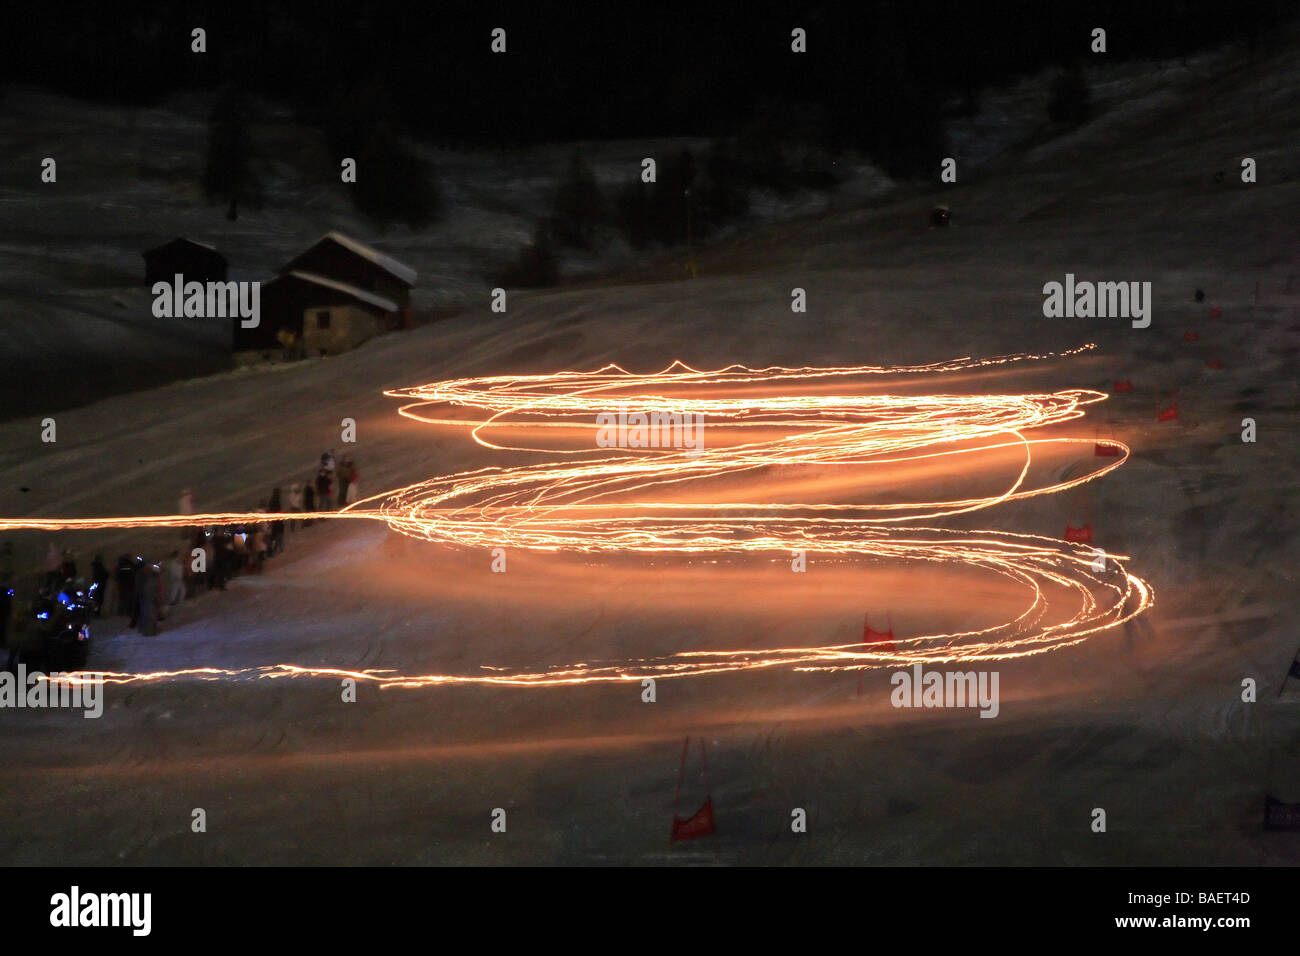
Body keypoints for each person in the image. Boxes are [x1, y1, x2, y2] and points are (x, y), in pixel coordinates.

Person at [137, 563, 159, 636]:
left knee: (146, 614)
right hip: (148, 598)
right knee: (150, 615)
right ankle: (149, 631)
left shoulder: (144, 577)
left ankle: (146, 630)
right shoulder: (151, 581)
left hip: (145, 598)